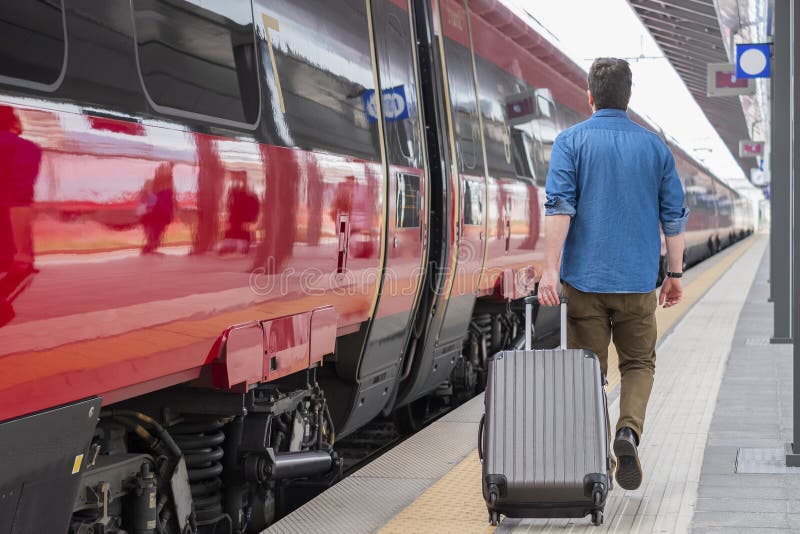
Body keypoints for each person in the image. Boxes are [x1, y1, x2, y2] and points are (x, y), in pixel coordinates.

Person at [537, 58, 689, 491]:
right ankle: (629, 431)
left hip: (584, 284)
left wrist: (550, 271)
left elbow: (559, 207)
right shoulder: (655, 147)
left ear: (590, 97)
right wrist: (674, 274)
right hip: (638, 283)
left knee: (588, 373)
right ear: (628, 98)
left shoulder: (570, 142)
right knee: (640, 362)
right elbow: (673, 217)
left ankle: (594, 461)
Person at [0, 105, 42, 326]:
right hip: (6, 241)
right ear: (14, 123)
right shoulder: (25, 149)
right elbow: (19, 200)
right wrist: (23, 252)